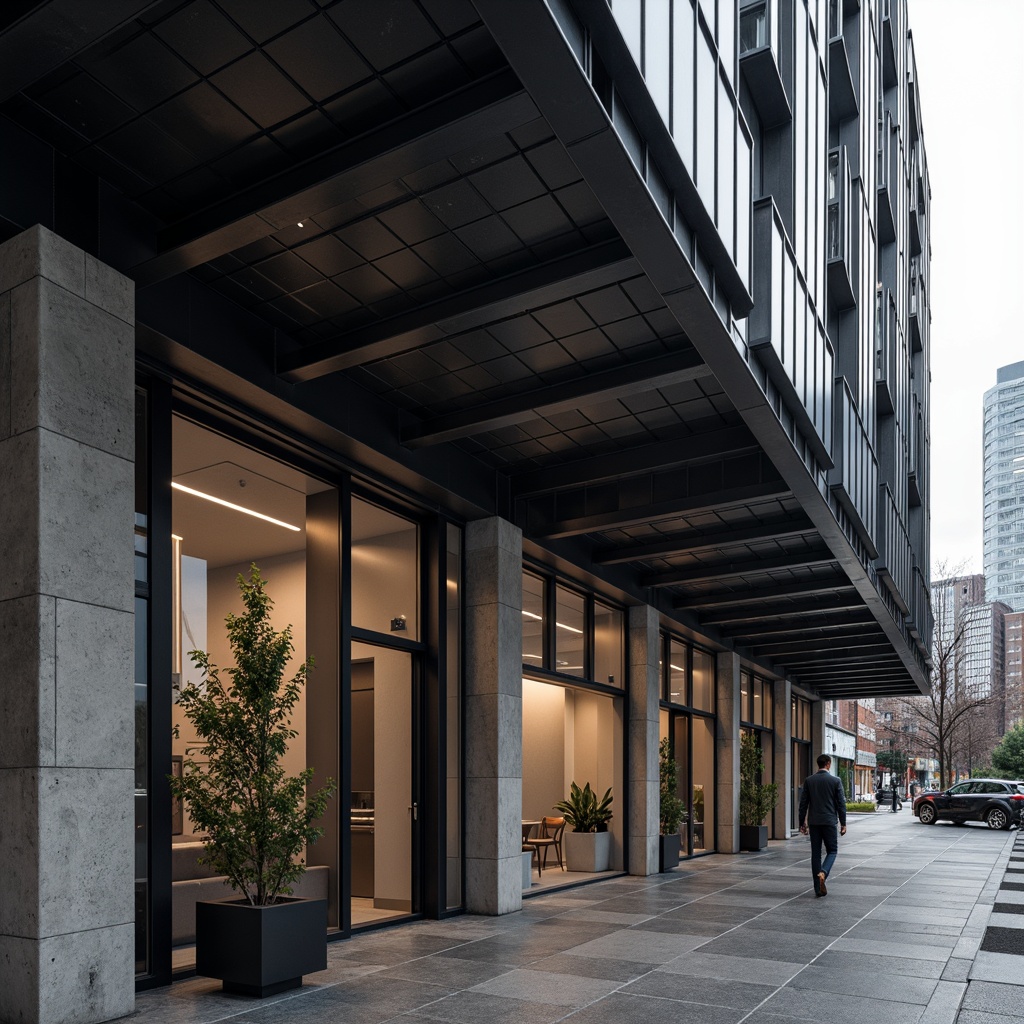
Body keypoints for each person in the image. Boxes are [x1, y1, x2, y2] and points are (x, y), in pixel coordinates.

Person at [798, 754, 847, 897]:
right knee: (832, 851)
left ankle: (818, 888)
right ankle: (824, 872)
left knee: (816, 854)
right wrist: (843, 823)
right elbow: (841, 804)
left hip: (814, 822)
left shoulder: (809, 781)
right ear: (828, 764)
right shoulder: (835, 781)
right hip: (830, 822)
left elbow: (803, 804)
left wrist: (802, 822)